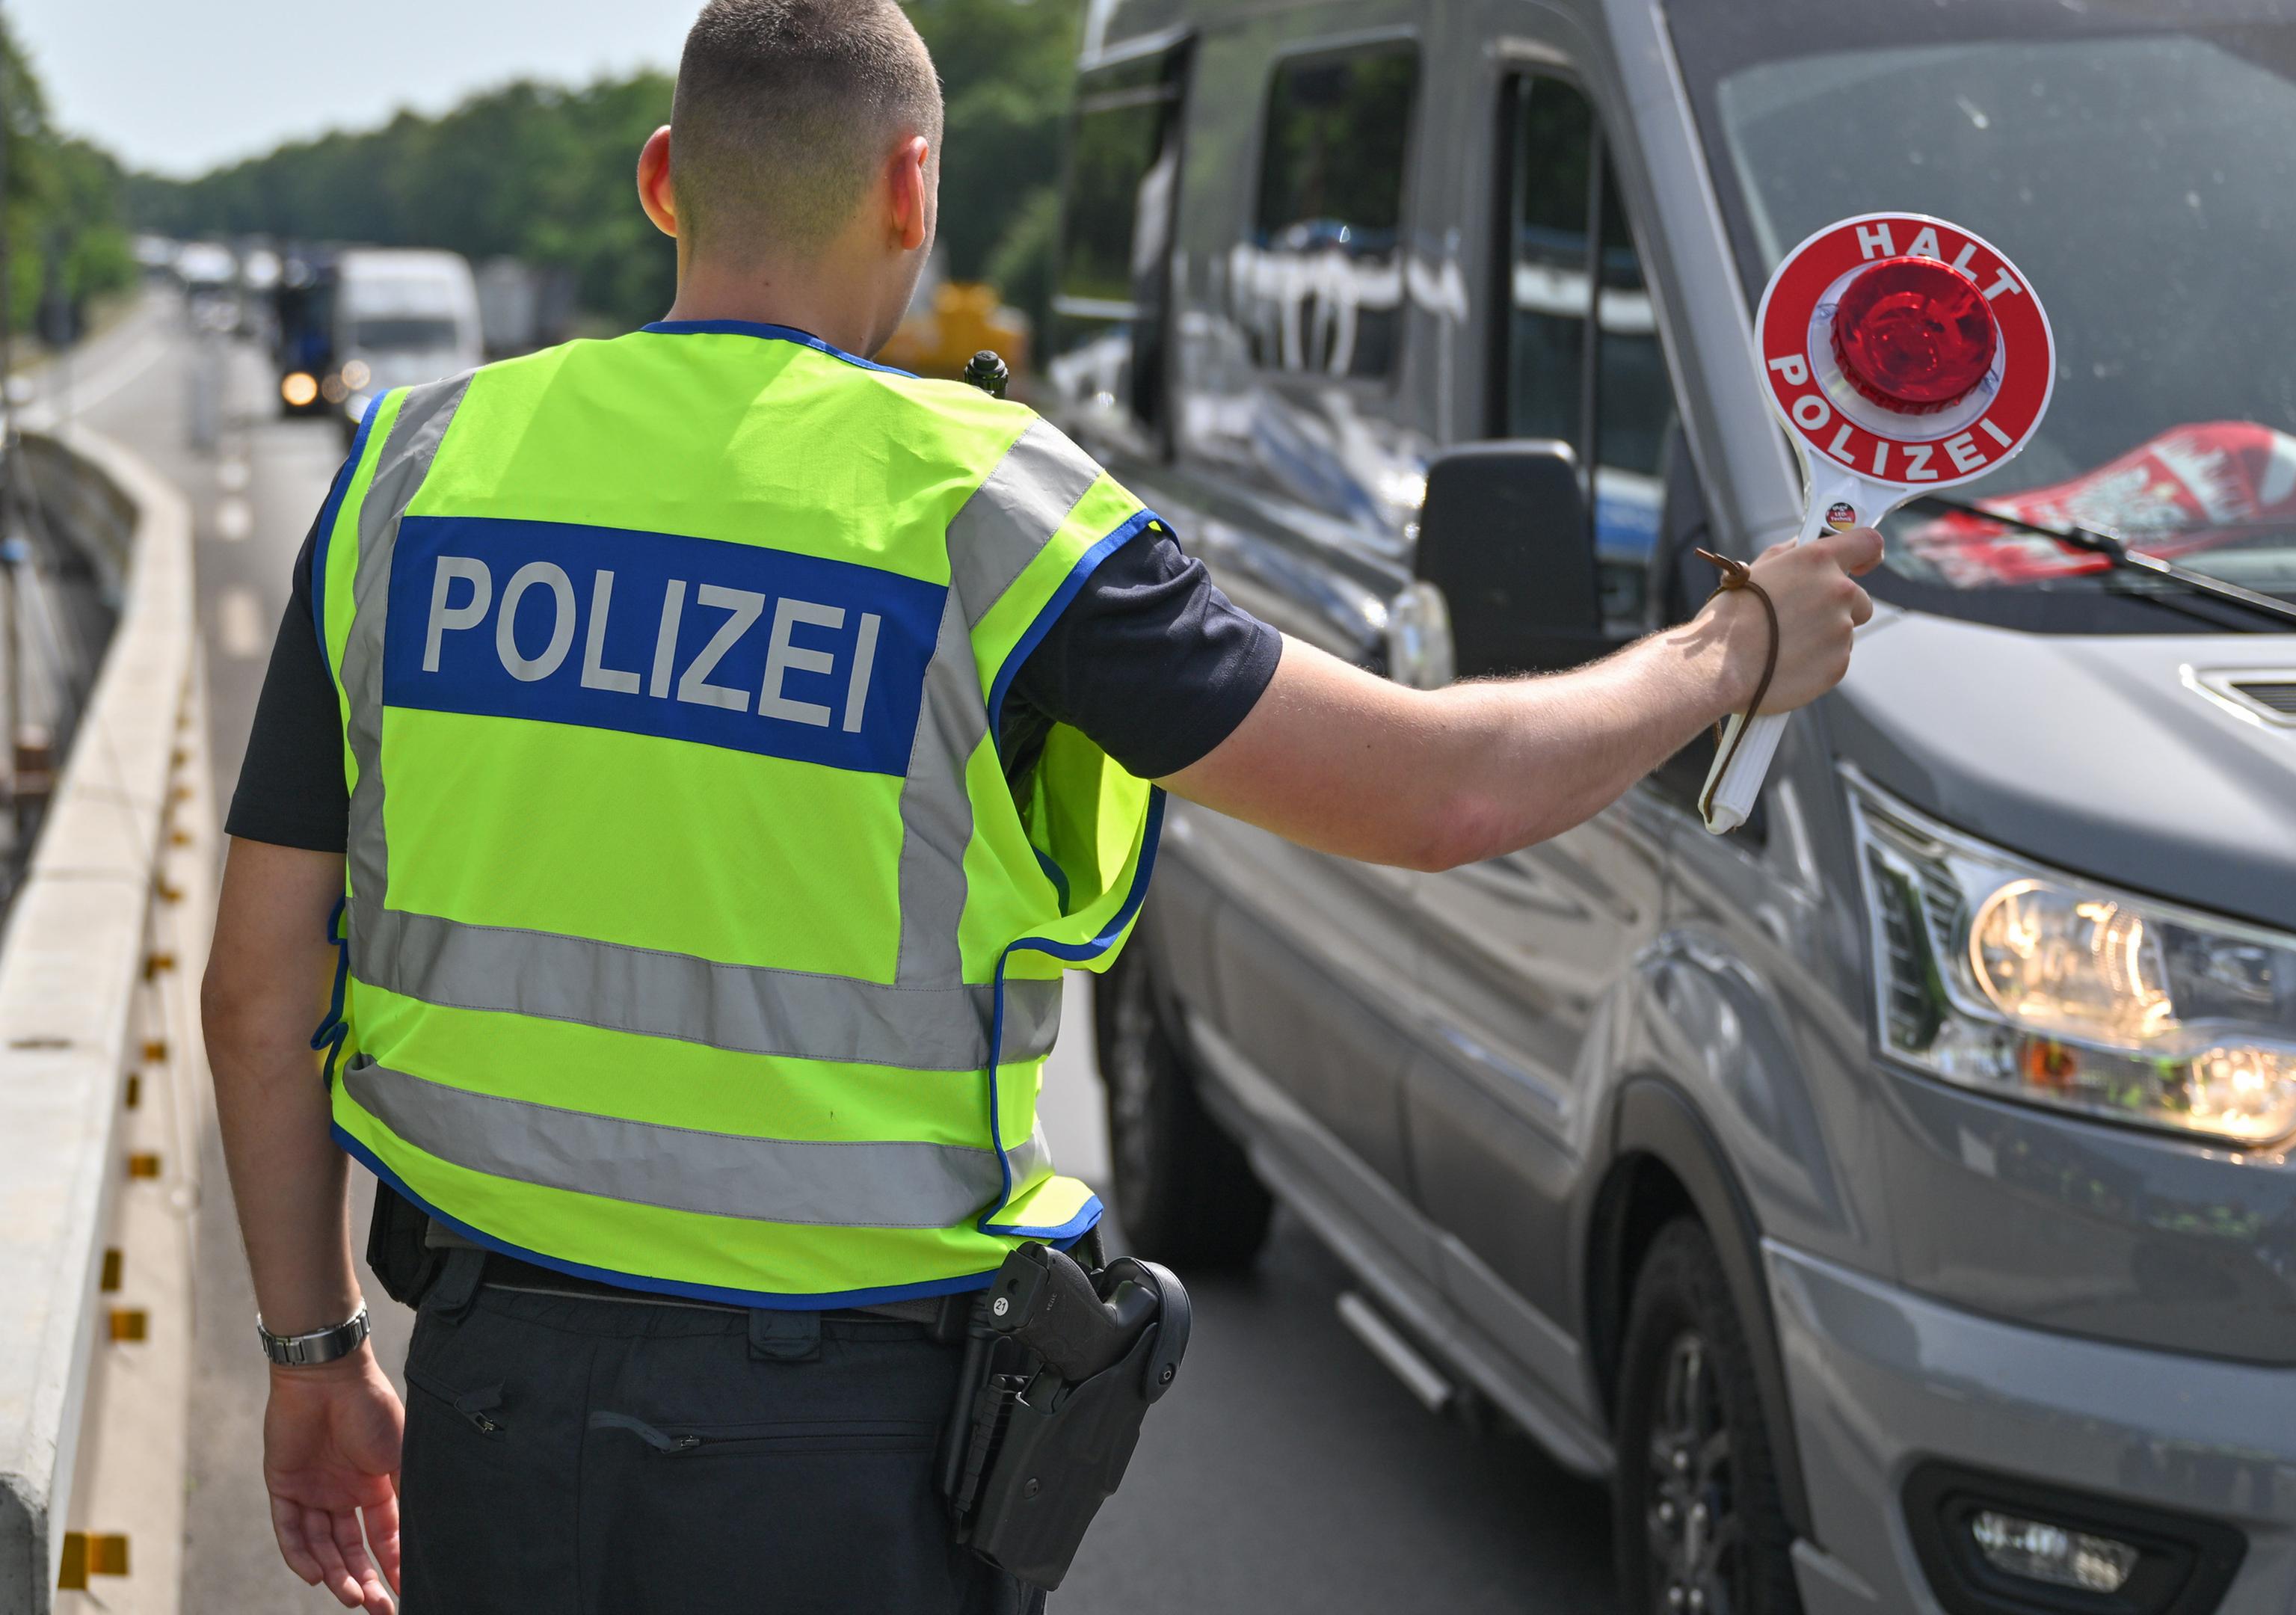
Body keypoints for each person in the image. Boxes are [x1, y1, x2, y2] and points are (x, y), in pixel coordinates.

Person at [197, 2, 1880, 1611]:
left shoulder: (417, 472)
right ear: (913, 184)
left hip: (500, 1404)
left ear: (660, 180)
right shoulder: (988, 511)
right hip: (839, 1450)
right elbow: (1437, 793)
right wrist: (1735, 645)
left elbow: (261, 997)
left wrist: (313, 1353)